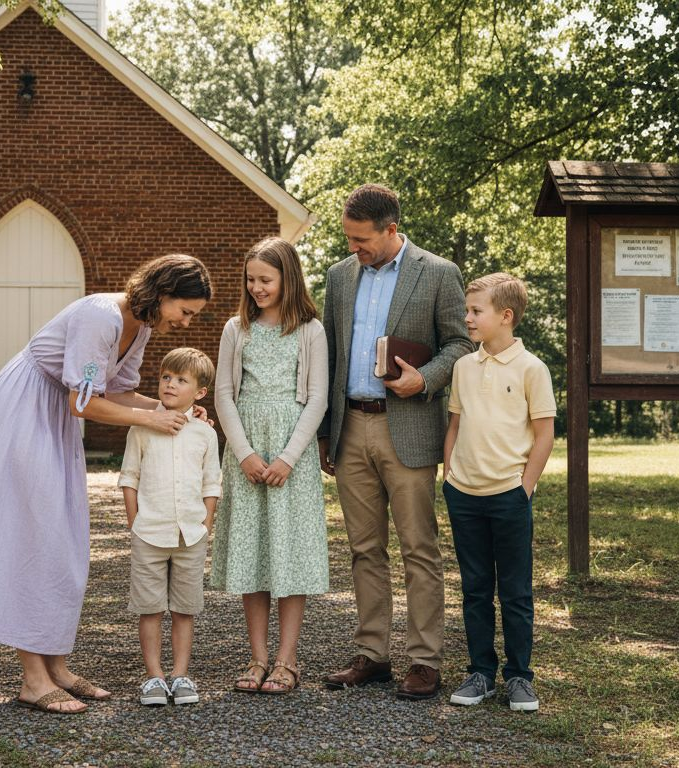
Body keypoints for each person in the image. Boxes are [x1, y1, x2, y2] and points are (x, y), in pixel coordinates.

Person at [0, 255, 212, 714]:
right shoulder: (100, 316)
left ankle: (57, 667)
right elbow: (83, 402)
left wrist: (174, 412)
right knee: (33, 534)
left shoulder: (140, 328)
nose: (185, 322)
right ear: (163, 293)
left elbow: (116, 393)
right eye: (185, 310)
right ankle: (32, 678)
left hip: (56, 416)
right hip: (24, 408)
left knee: (65, 539)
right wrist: (152, 417)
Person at [317, 184, 473, 700]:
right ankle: (372, 654)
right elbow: (331, 355)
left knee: (418, 549)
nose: (353, 248)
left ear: (390, 229)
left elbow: (460, 343)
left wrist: (424, 378)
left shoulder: (438, 272)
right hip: (351, 427)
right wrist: (326, 431)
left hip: (407, 425)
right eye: (348, 239)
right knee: (364, 549)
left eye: (362, 240)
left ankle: (425, 661)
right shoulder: (340, 277)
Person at [211, 237, 329, 695]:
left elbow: (317, 397)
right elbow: (224, 394)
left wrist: (287, 458)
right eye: (251, 279)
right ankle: (258, 657)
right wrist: (243, 453)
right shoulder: (236, 329)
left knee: (289, 555)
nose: (256, 287)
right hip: (247, 451)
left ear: (288, 278)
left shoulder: (310, 331)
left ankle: (287, 659)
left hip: (289, 455)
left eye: (266, 279)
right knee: (253, 553)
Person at [442, 272, 555, 712]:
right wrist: (449, 475)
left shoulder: (532, 369)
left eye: (475, 311)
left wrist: (524, 489)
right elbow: (454, 423)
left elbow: (544, 435)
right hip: (463, 495)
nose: (467, 318)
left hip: (509, 495)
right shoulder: (463, 366)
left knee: (515, 591)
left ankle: (520, 677)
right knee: (474, 588)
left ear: (505, 316)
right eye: (467, 310)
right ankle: (481, 673)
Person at [117, 347, 221, 707]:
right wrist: (135, 523)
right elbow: (129, 477)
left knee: (184, 608)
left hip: (190, 535)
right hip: (150, 532)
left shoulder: (205, 434)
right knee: (150, 607)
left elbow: (212, 484)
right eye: (165, 377)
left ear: (200, 393)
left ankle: (179, 674)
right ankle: (154, 678)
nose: (170, 385)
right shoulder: (142, 428)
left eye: (181, 380)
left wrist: (205, 524)